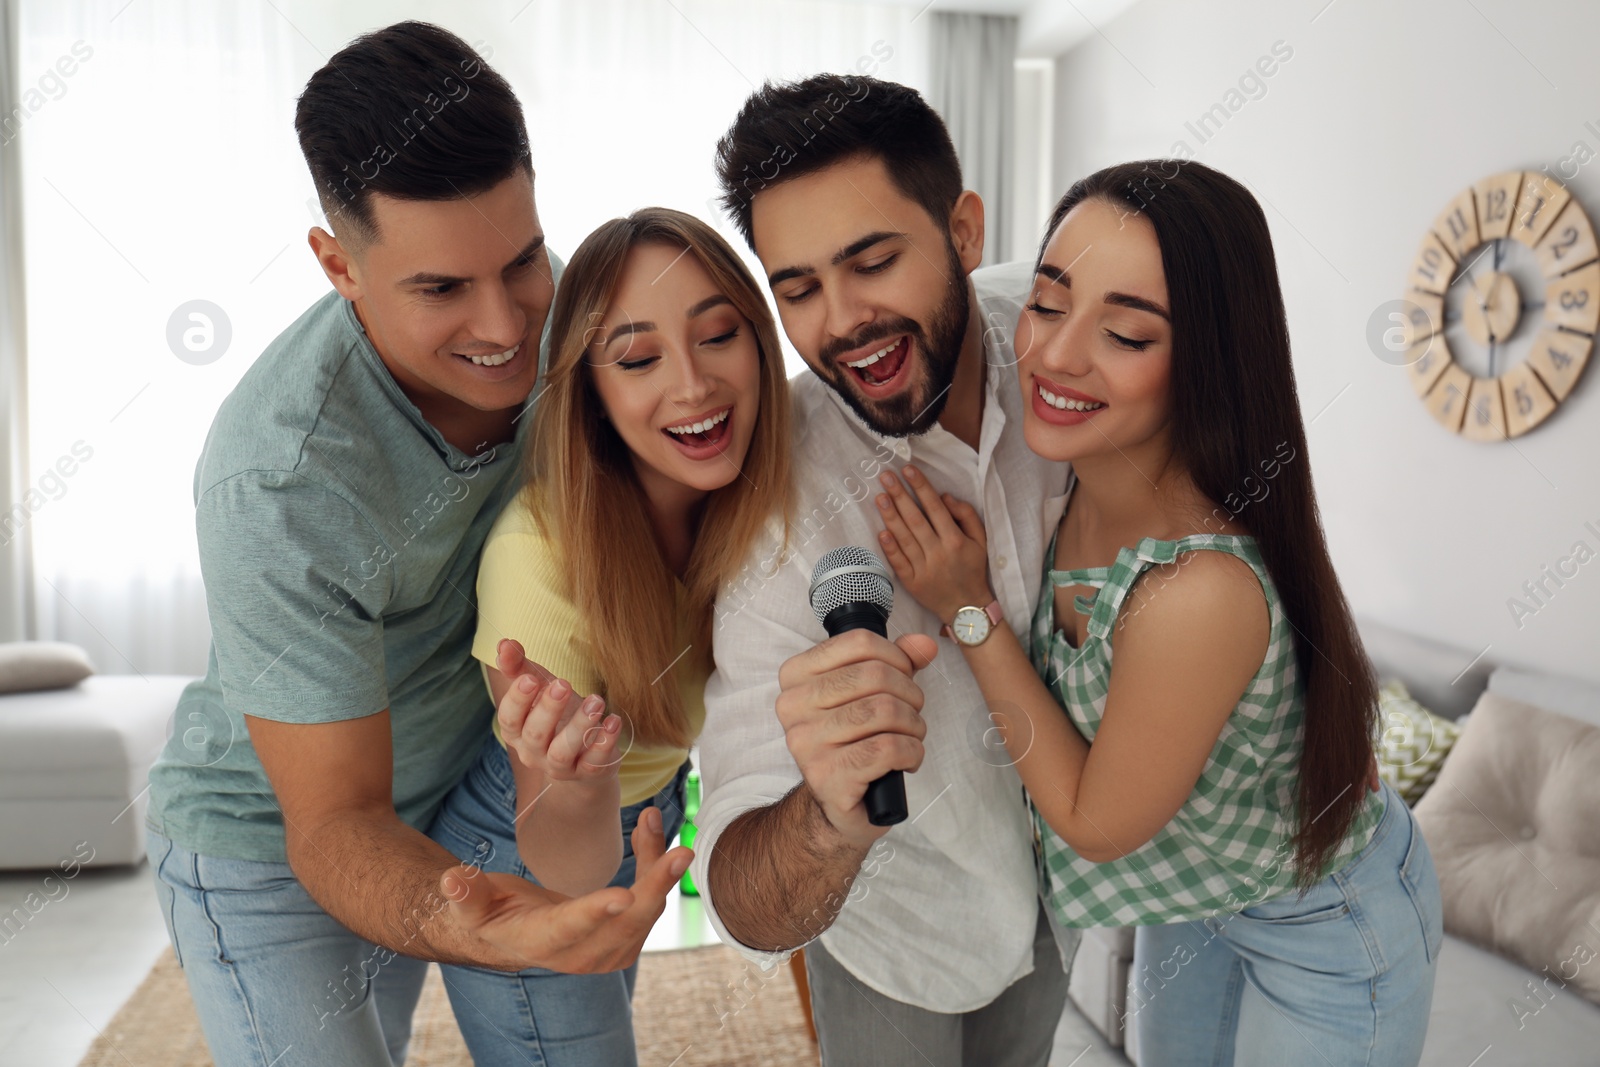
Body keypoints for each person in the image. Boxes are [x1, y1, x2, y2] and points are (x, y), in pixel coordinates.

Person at [142, 23, 689, 1067]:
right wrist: (479, 922)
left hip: (464, 777)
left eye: (522, 259)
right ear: (338, 264)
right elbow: (336, 816)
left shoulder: (562, 313)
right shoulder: (280, 480)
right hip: (273, 835)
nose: (507, 323)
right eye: (441, 289)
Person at [873, 159, 1443, 1066]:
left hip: (1326, 920)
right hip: (1203, 892)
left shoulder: (1200, 591)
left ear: (1207, 360)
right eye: (1050, 303)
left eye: (1127, 335)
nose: (1056, 356)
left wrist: (968, 608)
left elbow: (1094, 819)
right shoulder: (1068, 476)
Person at [689, 74, 1075, 1066]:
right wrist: (824, 815)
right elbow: (743, 898)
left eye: (872, 261)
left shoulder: (1069, 364)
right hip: (899, 934)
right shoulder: (775, 504)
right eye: (799, 287)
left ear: (963, 230)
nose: (845, 320)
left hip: (1073, 903)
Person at [425, 207, 792, 1065]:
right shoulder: (538, 559)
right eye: (636, 358)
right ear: (589, 390)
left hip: (646, 810)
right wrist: (578, 782)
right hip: (528, 841)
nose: (695, 385)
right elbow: (566, 862)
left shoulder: (749, 498)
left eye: (718, 336)